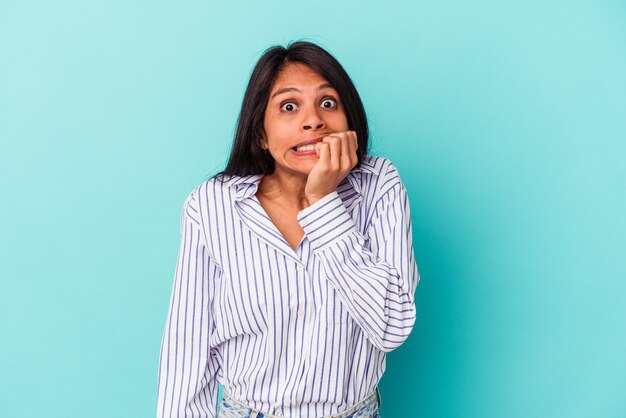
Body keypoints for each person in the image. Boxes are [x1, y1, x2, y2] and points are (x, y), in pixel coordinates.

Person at [156, 41, 420, 418]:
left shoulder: (379, 186)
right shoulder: (212, 206)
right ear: (260, 133)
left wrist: (323, 201)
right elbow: (187, 355)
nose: (313, 120)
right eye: (289, 106)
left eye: (328, 103)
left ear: (351, 123)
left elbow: (391, 326)